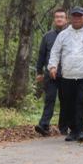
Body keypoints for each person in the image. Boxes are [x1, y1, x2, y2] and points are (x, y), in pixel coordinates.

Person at [48, 7, 83, 142]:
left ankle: (81, 130)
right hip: (68, 74)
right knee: (69, 103)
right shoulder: (63, 34)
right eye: (74, 16)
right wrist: (53, 67)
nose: (77, 18)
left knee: (81, 101)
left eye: (80, 16)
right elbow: (55, 52)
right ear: (70, 18)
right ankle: (72, 130)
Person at [34, 9, 70, 137]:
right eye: (57, 17)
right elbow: (42, 54)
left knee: (65, 101)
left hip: (67, 74)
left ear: (66, 20)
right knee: (49, 98)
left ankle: (64, 127)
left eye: (62, 17)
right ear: (54, 20)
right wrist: (39, 71)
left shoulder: (71, 35)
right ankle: (44, 125)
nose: (59, 19)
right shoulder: (48, 36)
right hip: (50, 74)